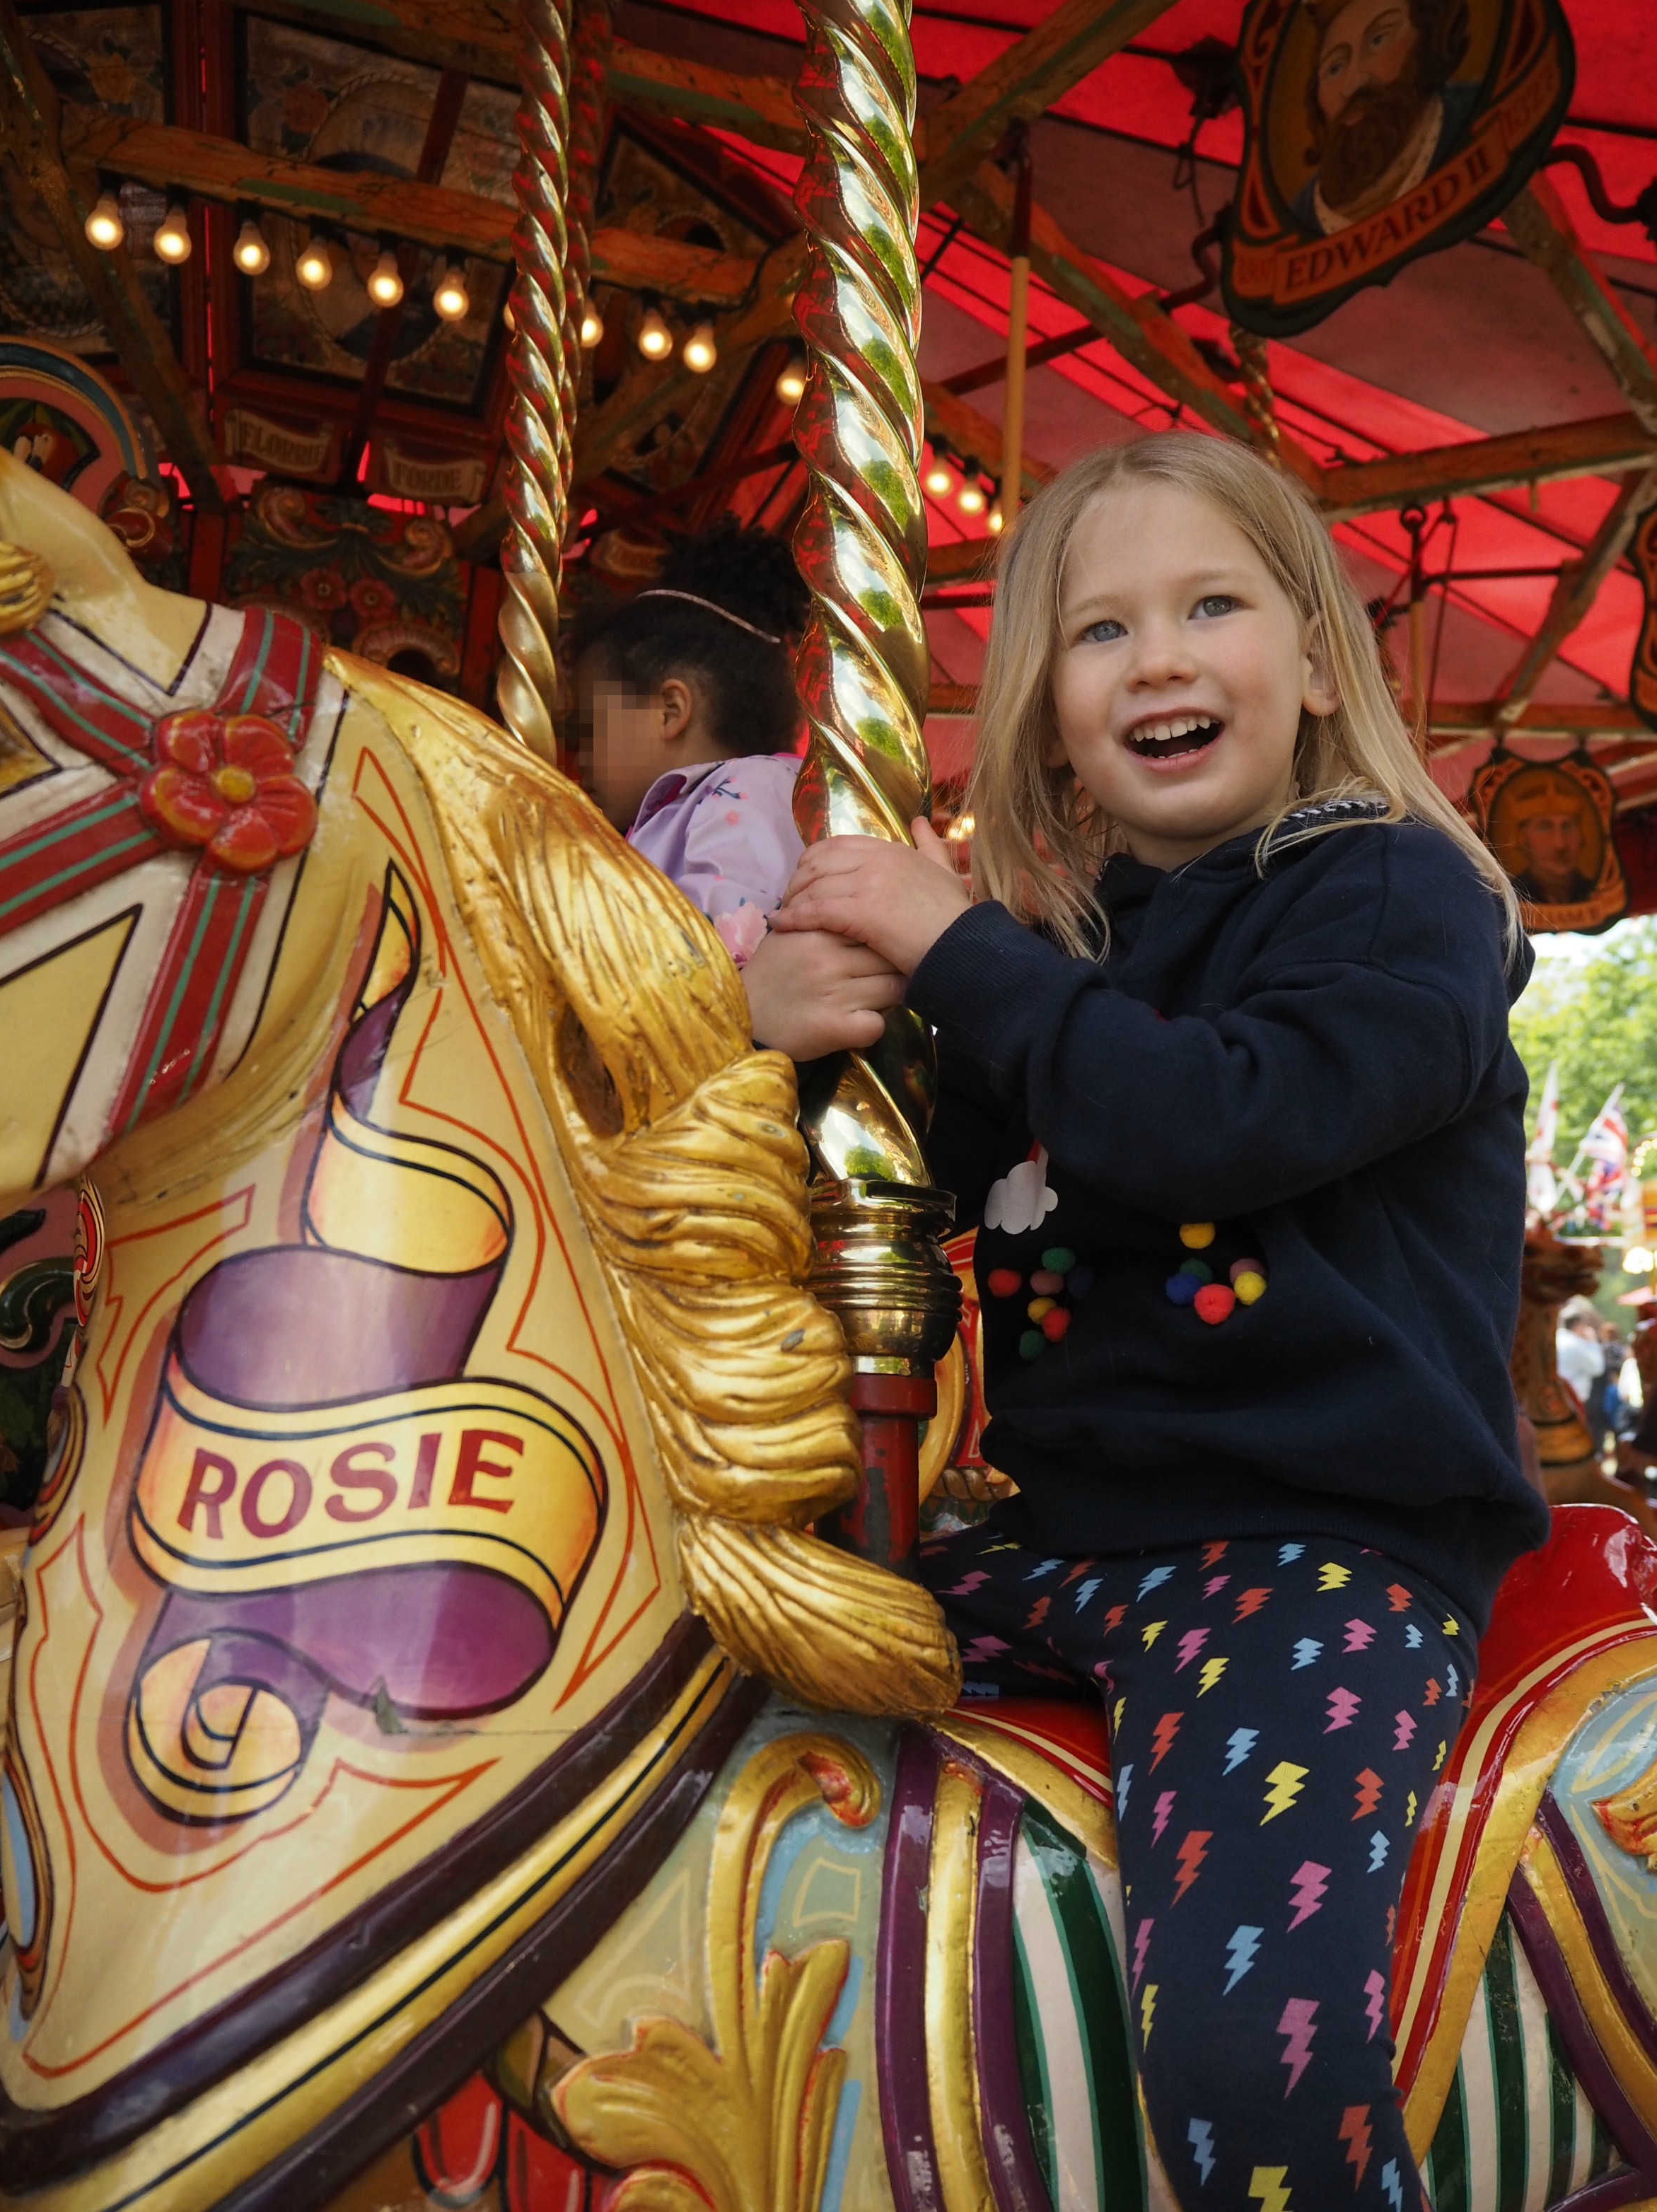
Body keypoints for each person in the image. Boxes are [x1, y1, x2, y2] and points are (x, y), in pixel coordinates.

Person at [747, 431, 1548, 2210]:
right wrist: (788, 1036)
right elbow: (919, 1187)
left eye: (1211, 605)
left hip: (1316, 1548)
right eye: (1101, 632)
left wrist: (958, 947)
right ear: (1045, 717)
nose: (1162, 655)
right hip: (1060, 1544)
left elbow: (1217, 1116)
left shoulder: (1395, 891)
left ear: (1318, 662)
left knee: (1244, 2050)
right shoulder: (1067, 952)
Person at [569, 518, 809, 965]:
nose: (580, 756)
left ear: (670, 712)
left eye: (591, 726)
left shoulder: (753, 793)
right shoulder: (678, 817)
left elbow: (704, 968)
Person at [1291, 0, 1479, 236]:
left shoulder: (1479, 119)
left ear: (1428, 34)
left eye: (1378, 40)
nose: (1353, 85)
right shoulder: (1303, 216)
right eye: (1335, 68)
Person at [1507, 774, 1597, 908]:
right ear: (1521, 839)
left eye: (1568, 827)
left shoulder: (1594, 889)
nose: (1560, 844)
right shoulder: (1508, 896)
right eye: (1544, 828)